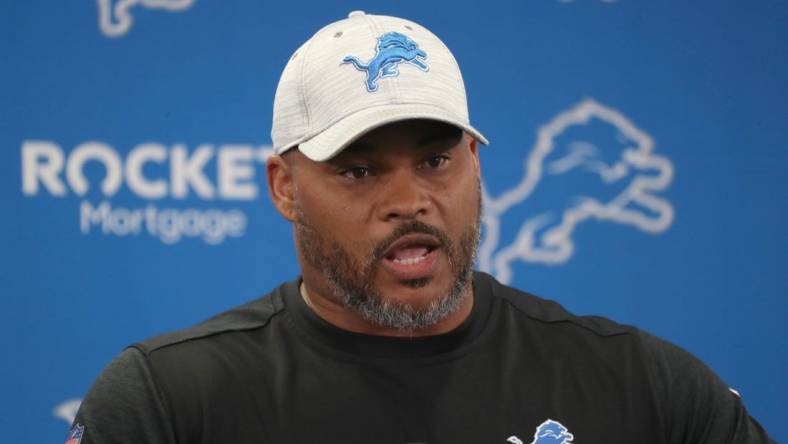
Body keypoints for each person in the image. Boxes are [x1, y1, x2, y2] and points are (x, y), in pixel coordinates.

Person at [68, 11, 774, 444]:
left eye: (435, 159)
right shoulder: (165, 403)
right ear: (285, 188)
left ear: (475, 161)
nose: (410, 200)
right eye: (360, 170)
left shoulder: (642, 387)